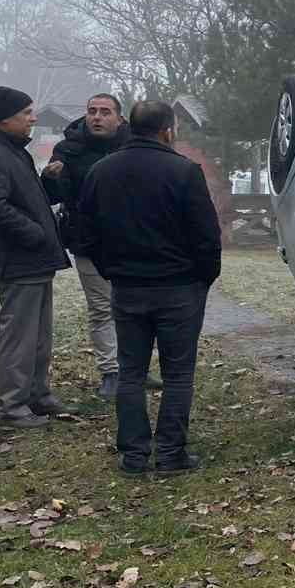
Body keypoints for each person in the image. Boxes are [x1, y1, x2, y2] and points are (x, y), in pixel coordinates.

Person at [77, 100, 221, 475]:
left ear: (130, 125)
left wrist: (111, 270)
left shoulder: (101, 171)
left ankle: (134, 455)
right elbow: (206, 236)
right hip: (179, 288)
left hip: (127, 287)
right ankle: (171, 454)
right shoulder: (185, 172)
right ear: (168, 129)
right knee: (178, 375)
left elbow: (83, 231)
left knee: (131, 372)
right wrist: (203, 277)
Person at [0, 86, 71, 429]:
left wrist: (45, 180)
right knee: (20, 337)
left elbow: (22, 198)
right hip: (19, 261)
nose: (33, 118)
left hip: (36, 261)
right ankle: (13, 407)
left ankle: (37, 395)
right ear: (5, 119)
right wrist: (35, 233)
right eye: (27, 113)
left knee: (40, 335)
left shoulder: (13, 151)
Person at [42, 93, 131, 399]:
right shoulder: (68, 149)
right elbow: (52, 196)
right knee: (102, 308)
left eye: (105, 112)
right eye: (92, 111)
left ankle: (134, 369)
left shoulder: (134, 144)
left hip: (133, 240)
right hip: (88, 240)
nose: (97, 117)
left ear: (119, 118)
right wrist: (50, 178)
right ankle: (110, 372)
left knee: (134, 308)